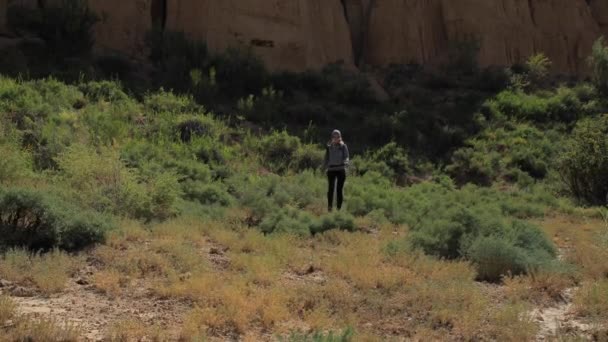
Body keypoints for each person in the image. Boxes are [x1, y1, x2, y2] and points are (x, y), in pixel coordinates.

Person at [324, 129, 349, 211]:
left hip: (341, 169)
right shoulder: (329, 147)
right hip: (331, 169)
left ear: (339, 137)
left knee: (339, 189)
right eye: (334, 136)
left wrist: (346, 162)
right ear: (332, 137)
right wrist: (325, 166)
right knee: (330, 189)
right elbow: (326, 158)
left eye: (337, 136)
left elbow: (346, 156)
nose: (335, 138)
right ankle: (329, 208)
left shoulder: (343, 146)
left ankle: (338, 208)